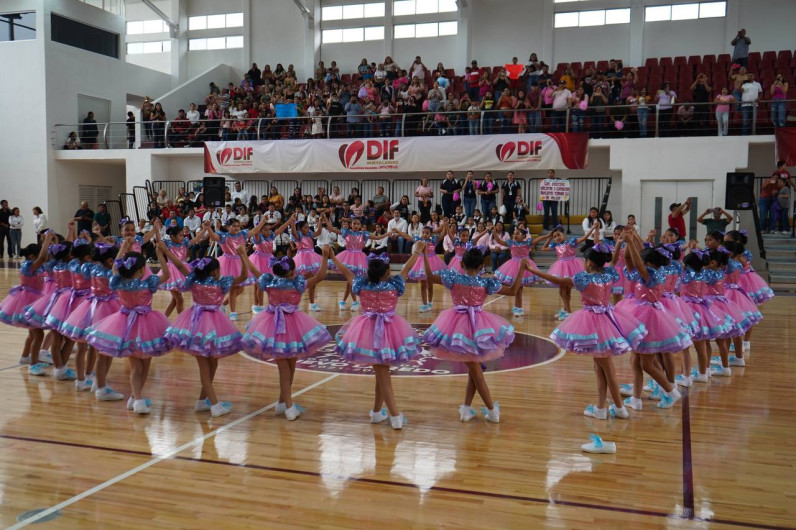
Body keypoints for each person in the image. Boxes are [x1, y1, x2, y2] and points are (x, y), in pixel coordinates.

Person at [535, 243, 645, 422]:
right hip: (607, 318)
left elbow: (558, 280)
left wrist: (533, 271)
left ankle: (619, 407)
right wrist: (617, 245)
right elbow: (614, 259)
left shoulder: (584, 279)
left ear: (589, 262)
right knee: (599, 368)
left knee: (608, 369)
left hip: (596, 323)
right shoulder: (608, 274)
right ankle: (601, 408)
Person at [422, 248, 528, 423]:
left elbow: (429, 276)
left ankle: (471, 409)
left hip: (458, 327)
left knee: (475, 368)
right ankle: (490, 410)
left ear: (462, 264)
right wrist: (522, 270)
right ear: (481, 266)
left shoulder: (454, 279)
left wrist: (424, 255)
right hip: (478, 327)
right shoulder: (486, 282)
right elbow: (513, 291)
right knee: (475, 368)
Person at [332, 249, 424, 429]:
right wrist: (418, 251)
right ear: (388, 272)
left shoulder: (361, 285)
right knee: (383, 373)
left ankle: (376, 412)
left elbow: (346, 272)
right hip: (386, 331)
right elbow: (406, 268)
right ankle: (395, 416)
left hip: (369, 330)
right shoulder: (394, 285)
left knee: (381, 373)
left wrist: (332, 256)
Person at [241, 249, 332, 421]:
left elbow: (255, 272)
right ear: (291, 271)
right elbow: (319, 277)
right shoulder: (296, 284)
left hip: (280, 324)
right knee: (285, 369)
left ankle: (282, 403)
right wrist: (325, 258)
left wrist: (244, 257)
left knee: (290, 367)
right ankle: (289, 408)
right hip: (280, 326)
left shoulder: (269, 282)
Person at [86, 240, 172, 414]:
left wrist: (122, 250)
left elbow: (114, 270)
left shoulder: (118, 282)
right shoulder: (148, 283)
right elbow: (167, 275)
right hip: (147, 326)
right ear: (141, 270)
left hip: (125, 326)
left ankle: (136, 397)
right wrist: (162, 256)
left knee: (135, 366)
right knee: (145, 364)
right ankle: (137, 399)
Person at [163, 251, 249, 418]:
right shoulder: (205, 281)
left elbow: (180, 265)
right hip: (198, 325)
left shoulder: (214, 281)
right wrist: (243, 257)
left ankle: (203, 401)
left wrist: (164, 252)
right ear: (214, 271)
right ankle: (215, 405)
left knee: (213, 362)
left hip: (211, 323)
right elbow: (244, 276)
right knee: (204, 366)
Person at [536, 224, 597, 319]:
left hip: (571, 267)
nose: (557, 238)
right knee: (563, 290)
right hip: (560, 268)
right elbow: (543, 248)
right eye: (555, 237)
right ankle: (566, 310)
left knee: (566, 290)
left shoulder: (570, 242)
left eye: (558, 235)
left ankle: (568, 311)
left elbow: (584, 237)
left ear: (563, 234)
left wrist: (593, 228)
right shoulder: (555, 246)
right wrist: (549, 237)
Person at [492, 228, 538, 317]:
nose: (515, 235)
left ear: (524, 236)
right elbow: (499, 241)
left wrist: (548, 236)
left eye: (517, 233)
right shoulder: (511, 243)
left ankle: (519, 308)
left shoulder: (527, 243)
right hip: (513, 266)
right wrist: (494, 232)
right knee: (517, 289)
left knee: (519, 289)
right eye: (514, 233)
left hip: (524, 267)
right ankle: (518, 307)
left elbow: (537, 240)